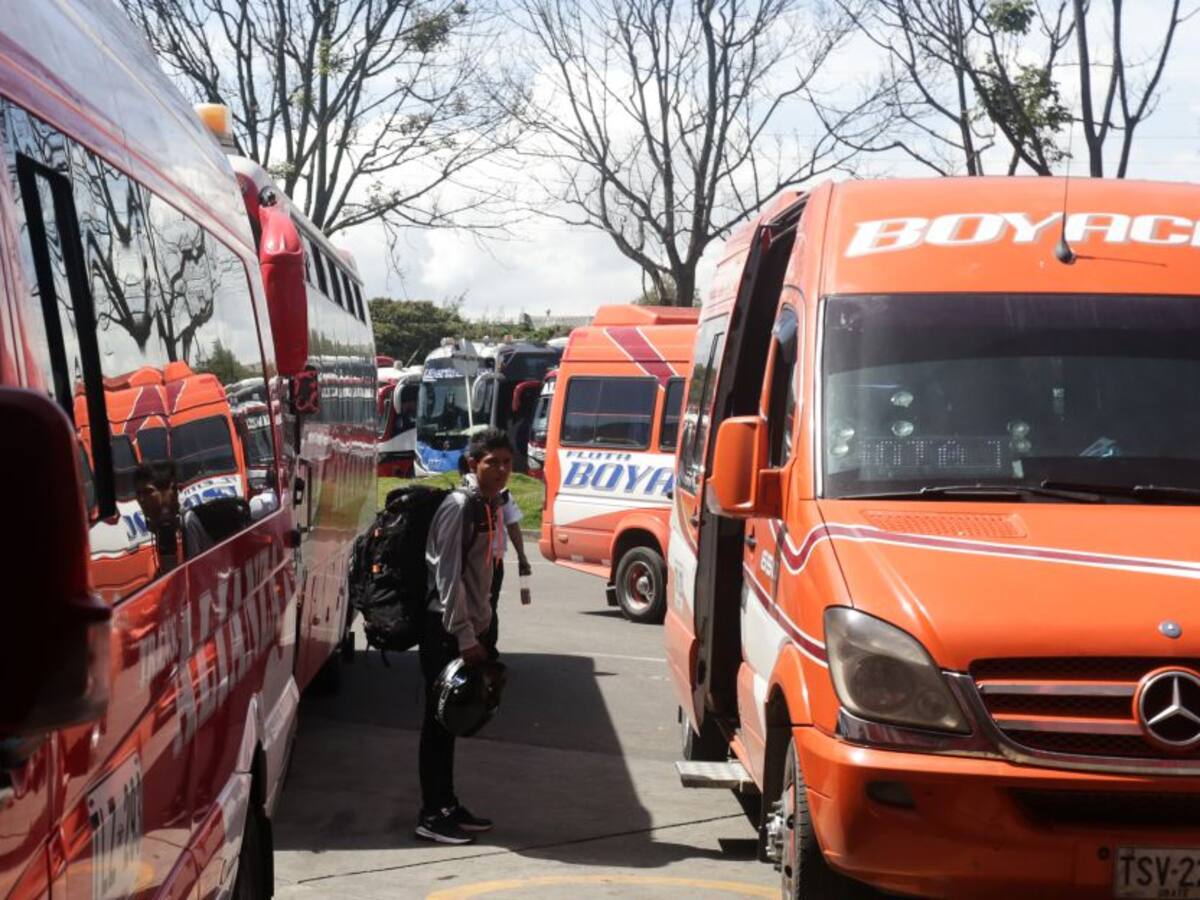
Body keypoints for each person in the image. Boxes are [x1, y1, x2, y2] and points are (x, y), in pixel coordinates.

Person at [417, 427, 513, 845]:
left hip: (473, 630)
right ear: (473, 464)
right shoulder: (459, 507)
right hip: (447, 631)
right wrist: (463, 636)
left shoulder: (489, 506)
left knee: (455, 722)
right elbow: (447, 577)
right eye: (493, 462)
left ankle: (447, 804)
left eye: (508, 462)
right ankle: (431, 815)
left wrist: (484, 629)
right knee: (438, 724)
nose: (502, 470)